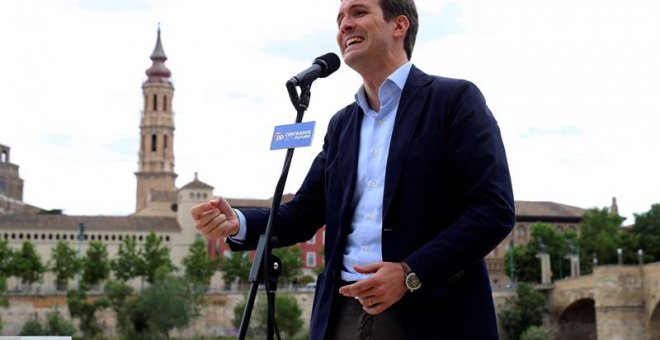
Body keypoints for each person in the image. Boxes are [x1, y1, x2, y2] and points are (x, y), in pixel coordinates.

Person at [191, 0, 515, 338]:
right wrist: (237, 222)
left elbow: (493, 210)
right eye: (340, 18)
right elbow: (303, 214)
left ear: (399, 26)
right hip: (341, 311)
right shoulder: (342, 125)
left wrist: (409, 273)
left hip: (432, 310)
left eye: (359, 12)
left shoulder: (454, 100)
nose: (344, 25)